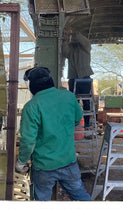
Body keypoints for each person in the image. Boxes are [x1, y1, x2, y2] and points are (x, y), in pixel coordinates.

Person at [15, 67, 91, 201]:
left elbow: (28, 141)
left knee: (42, 206)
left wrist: (21, 162)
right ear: (50, 81)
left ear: (32, 86)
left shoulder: (31, 106)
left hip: (44, 167)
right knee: (81, 197)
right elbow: (78, 118)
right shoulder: (68, 96)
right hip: (69, 162)